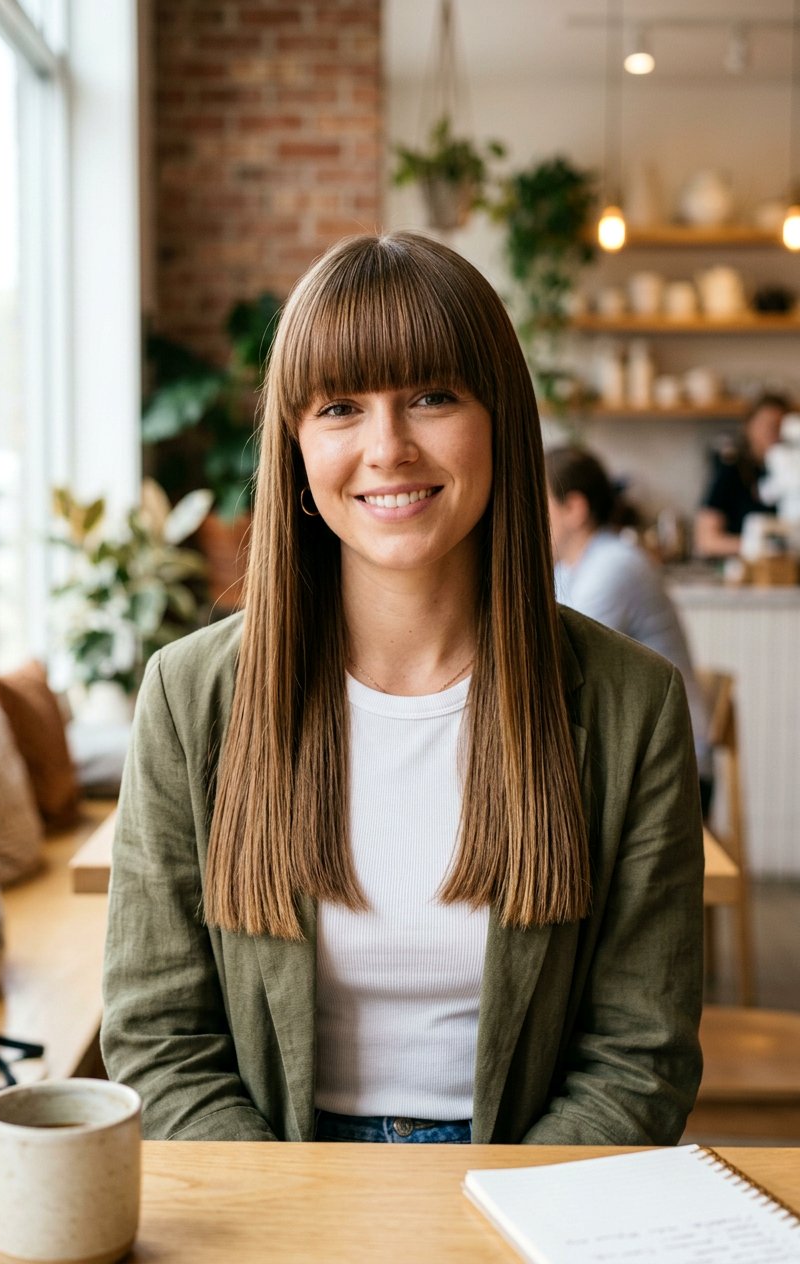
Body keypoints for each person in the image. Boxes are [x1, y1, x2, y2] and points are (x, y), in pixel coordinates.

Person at [101, 232, 703, 1146]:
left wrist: (491, 1224)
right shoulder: (191, 699)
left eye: (431, 396)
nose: (388, 447)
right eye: (341, 407)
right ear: (297, 449)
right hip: (275, 1191)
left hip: (524, 1187)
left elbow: (639, 1052)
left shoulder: (630, 705)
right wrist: (294, 1222)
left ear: (500, 419)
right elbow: (159, 1036)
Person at [545, 445, 712, 812]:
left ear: (574, 509)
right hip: (638, 753)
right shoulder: (571, 569)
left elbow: (559, 667)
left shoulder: (614, 565)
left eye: (539, 505)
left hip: (671, 766)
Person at [694, 393, 790, 558]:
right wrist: (759, 547)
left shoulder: (790, 473)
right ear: (749, 427)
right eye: (766, 425)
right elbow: (706, 540)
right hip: (739, 569)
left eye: (779, 427)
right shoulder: (731, 472)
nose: (773, 433)